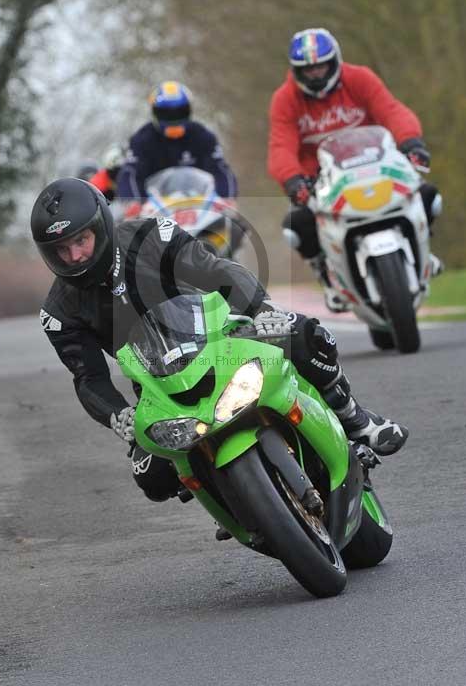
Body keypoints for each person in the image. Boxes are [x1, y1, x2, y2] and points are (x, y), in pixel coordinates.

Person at [30, 177, 408, 508]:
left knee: (305, 333)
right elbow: (88, 378)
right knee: (152, 478)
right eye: (61, 250)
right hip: (158, 386)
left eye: (80, 240)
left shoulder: (152, 236)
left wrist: (260, 309)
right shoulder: (58, 313)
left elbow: (215, 271)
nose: (74, 256)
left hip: (220, 338)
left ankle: (353, 418)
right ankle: (228, 493)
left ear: (100, 225)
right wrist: (116, 414)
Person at [268, 27, 443, 312]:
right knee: (297, 226)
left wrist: (410, 141)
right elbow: (280, 147)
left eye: (321, 66)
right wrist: (292, 179)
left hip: (377, 166)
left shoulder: (360, 78)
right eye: (308, 70)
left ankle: (424, 252)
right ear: (296, 71)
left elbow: (392, 110)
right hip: (324, 181)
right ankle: (326, 273)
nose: (316, 74)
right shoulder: (285, 99)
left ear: (335, 61)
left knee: (429, 197)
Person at [116, 80, 238, 218]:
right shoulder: (141, 140)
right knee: (129, 229)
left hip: (199, 206)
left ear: (189, 111)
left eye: (180, 112)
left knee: (235, 225)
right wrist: (134, 202)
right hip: (156, 209)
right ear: (155, 113)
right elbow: (130, 173)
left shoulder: (203, 135)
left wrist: (227, 197)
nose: (173, 119)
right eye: (166, 114)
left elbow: (220, 168)